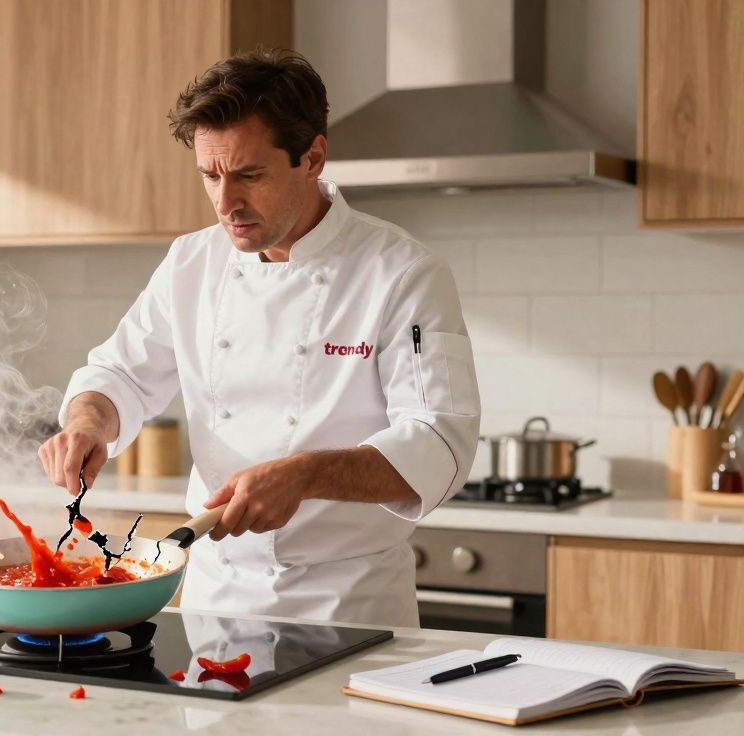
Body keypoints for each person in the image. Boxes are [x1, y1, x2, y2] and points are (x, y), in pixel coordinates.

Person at [38, 49, 480, 627]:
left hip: (349, 605)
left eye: (249, 175)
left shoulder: (401, 273)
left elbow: (439, 443)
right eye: (210, 175)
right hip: (213, 599)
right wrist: (88, 423)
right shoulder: (190, 262)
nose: (226, 203)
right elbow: (119, 374)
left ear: (313, 158)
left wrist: (306, 475)